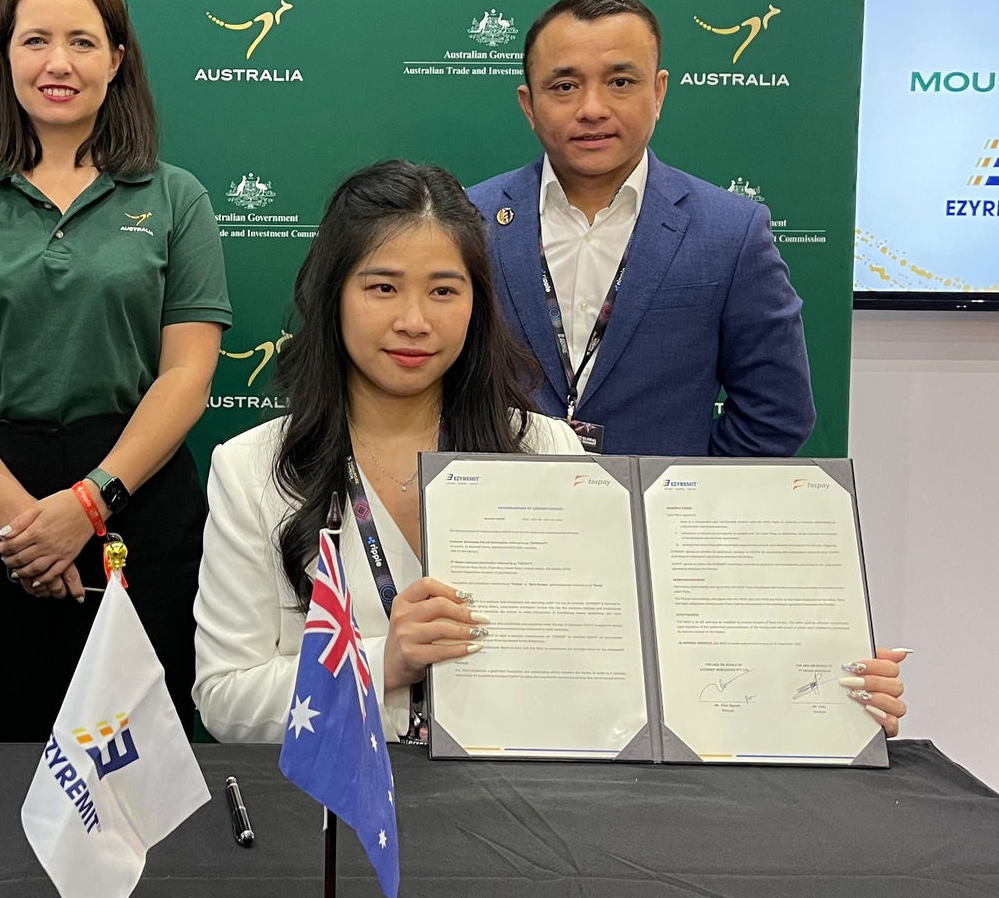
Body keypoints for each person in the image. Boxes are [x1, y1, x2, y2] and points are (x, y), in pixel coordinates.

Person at [192, 161, 909, 743]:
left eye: (445, 290)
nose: (413, 321)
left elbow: (640, 664)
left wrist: (822, 681)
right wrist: (382, 660)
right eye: (382, 287)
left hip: (516, 821)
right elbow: (224, 700)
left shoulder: (541, 449)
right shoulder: (253, 468)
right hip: (331, 825)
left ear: (477, 305)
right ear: (334, 296)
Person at [0, 0, 229, 740]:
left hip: (135, 498)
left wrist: (87, 505)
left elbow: (186, 375)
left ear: (117, 60)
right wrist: (24, 524)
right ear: (2, 55)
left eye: (82, 41)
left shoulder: (176, 198)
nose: (58, 63)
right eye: (35, 39)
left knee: (139, 756)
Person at [466, 0, 816, 457]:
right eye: (565, 86)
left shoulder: (731, 233)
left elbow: (777, 413)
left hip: (655, 523)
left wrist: (683, 501)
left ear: (658, 92)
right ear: (529, 104)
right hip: (503, 519)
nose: (592, 109)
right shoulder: (471, 218)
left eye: (621, 82)